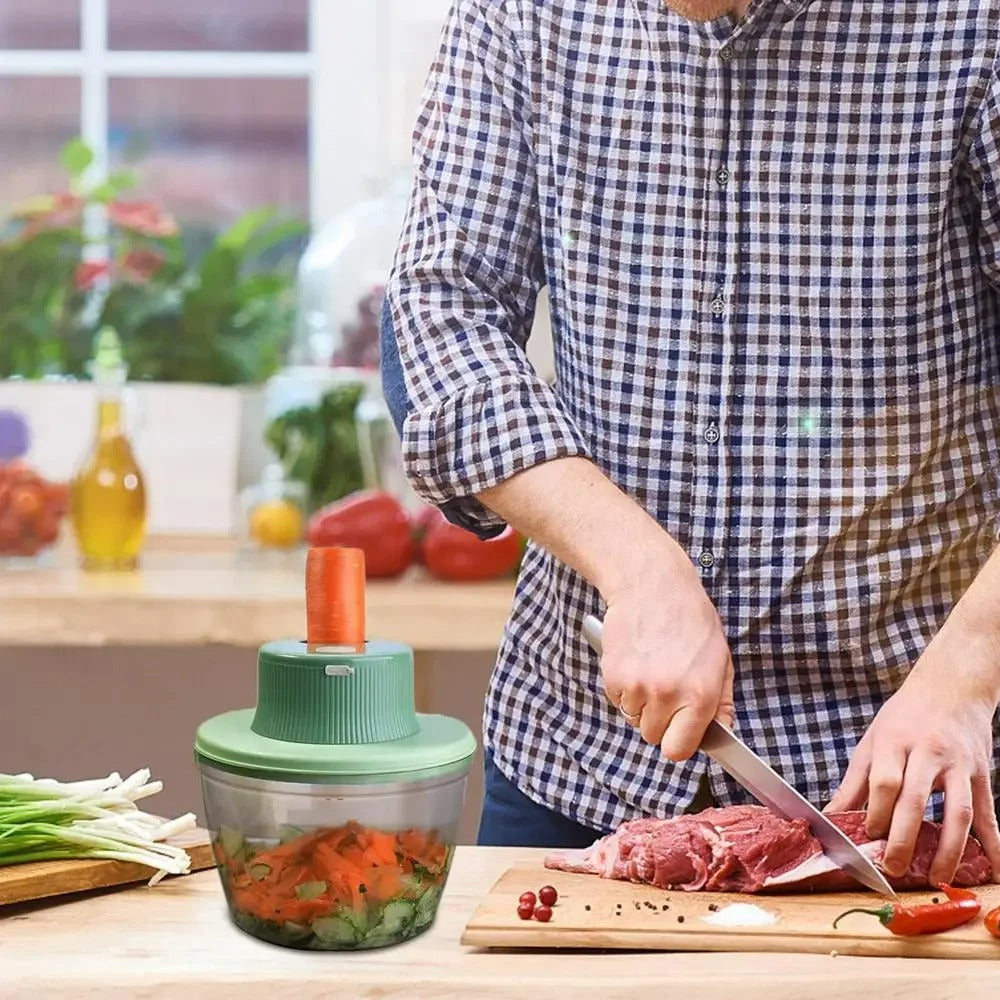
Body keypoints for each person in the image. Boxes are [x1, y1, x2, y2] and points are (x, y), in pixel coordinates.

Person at [379, 0, 1000, 886]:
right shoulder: (518, 13)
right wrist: (640, 569)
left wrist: (966, 676)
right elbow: (442, 315)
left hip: (912, 775)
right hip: (583, 755)